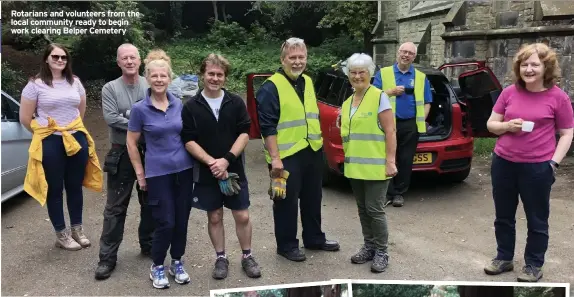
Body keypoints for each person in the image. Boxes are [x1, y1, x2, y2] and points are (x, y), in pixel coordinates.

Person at [483, 43, 573, 282]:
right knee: (503, 216)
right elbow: (491, 124)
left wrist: (553, 163)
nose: (529, 69)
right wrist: (506, 126)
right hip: (503, 162)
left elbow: (567, 133)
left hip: (538, 167)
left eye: (535, 64)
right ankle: (504, 258)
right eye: (525, 64)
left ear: (546, 68)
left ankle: (533, 264)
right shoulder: (509, 92)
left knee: (537, 219)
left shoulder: (558, 97)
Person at [255, 37, 339, 262]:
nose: (297, 62)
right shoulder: (270, 87)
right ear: (283, 59)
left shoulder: (308, 82)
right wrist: (275, 159)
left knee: (313, 197)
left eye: (301, 57)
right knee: (285, 200)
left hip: (311, 149)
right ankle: (286, 245)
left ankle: (314, 239)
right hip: (284, 155)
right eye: (292, 57)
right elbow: (267, 127)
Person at [181, 54, 261, 280]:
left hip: (234, 169)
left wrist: (226, 160)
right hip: (207, 173)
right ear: (202, 75)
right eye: (211, 74)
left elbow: (245, 133)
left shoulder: (235, 102)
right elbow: (188, 140)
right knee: (214, 216)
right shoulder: (191, 107)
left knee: (242, 215)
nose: (215, 78)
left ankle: (247, 256)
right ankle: (221, 258)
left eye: (219, 74)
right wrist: (212, 163)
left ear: (225, 77)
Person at [19, 43, 103, 250]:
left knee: (75, 186)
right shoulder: (35, 84)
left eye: (63, 57)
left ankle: (77, 229)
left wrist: (70, 129)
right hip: (50, 141)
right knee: (54, 189)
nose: (59, 60)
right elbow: (25, 118)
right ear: (46, 59)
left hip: (75, 138)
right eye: (55, 57)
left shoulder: (74, 82)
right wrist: (48, 134)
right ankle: (61, 234)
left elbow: (80, 110)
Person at [126, 49, 195, 289]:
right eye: (154, 76)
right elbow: (131, 143)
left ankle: (177, 261)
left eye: (163, 76)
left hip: (184, 171)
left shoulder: (179, 105)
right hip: (157, 173)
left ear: (169, 78)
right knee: (165, 222)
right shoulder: (139, 109)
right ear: (147, 78)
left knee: (182, 221)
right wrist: (140, 174)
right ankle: (157, 266)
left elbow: (189, 136)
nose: (158, 80)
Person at [95, 43, 156, 280]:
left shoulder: (150, 84)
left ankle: (149, 244)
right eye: (124, 58)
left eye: (133, 57)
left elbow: (157, 111)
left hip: (149, 152)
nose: (129, 61)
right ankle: (107, 258)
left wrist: (133, 119)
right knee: (115, 207)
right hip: (120, 153)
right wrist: (141, 122)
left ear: (140, 61)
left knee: (151, 202)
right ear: (118, 62)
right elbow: (111, 118)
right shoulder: (109, 88)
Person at [338, 53, 397, 273]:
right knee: (363, 209)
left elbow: (390, 131)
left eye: (362, 72)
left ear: (370, 73)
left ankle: (382, 251)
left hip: (376, 167)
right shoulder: (346, 103)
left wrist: (390, 161)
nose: (357, 76)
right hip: (355, 167)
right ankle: (369, 246)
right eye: (353, 72)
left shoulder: (379, 96)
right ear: (348, 75)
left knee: (375, 209)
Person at [372, 42, 432, 207]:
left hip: (410, 125)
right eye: (404, 52)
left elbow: (427, 102)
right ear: (398, 53)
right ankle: (387, 192)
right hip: (387, 124)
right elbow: (371, 96)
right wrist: (390, 92)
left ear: (414, 57)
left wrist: (420, 120)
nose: (406, 55)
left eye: (410, 53)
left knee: (405, 160)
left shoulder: (420, 77)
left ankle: (399, 193)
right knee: (386, 158)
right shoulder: (383, 73)